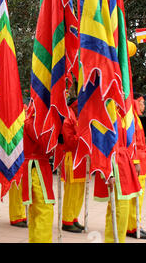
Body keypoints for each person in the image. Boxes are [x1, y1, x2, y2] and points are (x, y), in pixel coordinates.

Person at [93, 104, 142, 243]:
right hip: (113, 161)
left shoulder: (118, 113)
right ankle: (114, 240)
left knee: (121, 205)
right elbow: (99, 143)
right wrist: (106, 171)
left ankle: (115, 239)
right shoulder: (104, 112)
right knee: (119, 207)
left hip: (123, 160)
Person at [21, 104, 55, 243]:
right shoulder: (31, 122)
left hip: (40, 166)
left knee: (38, 209)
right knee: (43, 208)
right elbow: (44, 141)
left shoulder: (35, 122)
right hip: (36, 168)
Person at [126, 94, 146, 239]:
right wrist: (135, 161)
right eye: (141, 102)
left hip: (142, 159)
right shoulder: (132, 119)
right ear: (135, 103)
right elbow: (132, 142)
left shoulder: (136, 118)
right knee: (135, 196)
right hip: (137, 161)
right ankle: (132, 226)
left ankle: (137, 224)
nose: (144, 105)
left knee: (139, 197)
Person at [59, 98, 86, 233]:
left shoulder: (79, 120)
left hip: (81, 160)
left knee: (79, 192)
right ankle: (67, 220)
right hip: (72, 158)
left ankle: (74, 218)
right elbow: (70, 142)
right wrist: (83, 134)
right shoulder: (67, 121)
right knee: (71, 192)